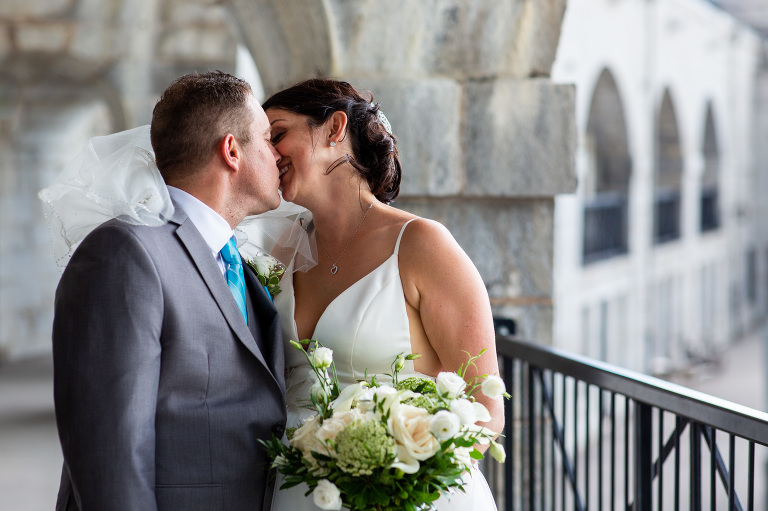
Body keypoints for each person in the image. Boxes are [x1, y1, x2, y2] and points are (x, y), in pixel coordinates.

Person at [262, 79, 504, 510]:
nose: (268, 153)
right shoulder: (281, 253)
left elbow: (485, 406)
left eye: (277, 134)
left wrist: (399, 489)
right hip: (298, 493)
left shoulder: (421, 244)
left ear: (335, 128)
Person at [51, 71, 287, 511]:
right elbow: (110, 445)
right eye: (268, 139)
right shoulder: (124, 252)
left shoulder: (238, 263)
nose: (278, 154)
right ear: (232, 151)